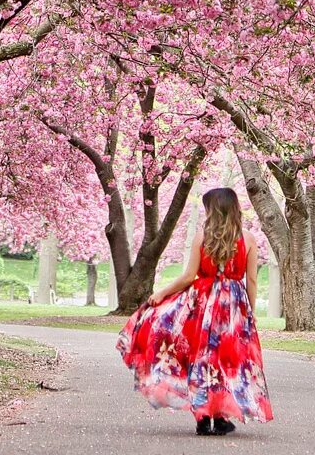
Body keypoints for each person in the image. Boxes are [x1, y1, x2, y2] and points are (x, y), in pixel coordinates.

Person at [116, 187, 273, 436]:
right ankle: (220, 417)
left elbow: (189, 276)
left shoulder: (203, 236)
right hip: (233, 306)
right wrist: (249, 312)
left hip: (204, 303)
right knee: (228, 359)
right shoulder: (249, 239)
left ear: (213, 210)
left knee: (203, 356)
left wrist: (163, 293)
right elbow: (251, 280)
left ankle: (203, 417)